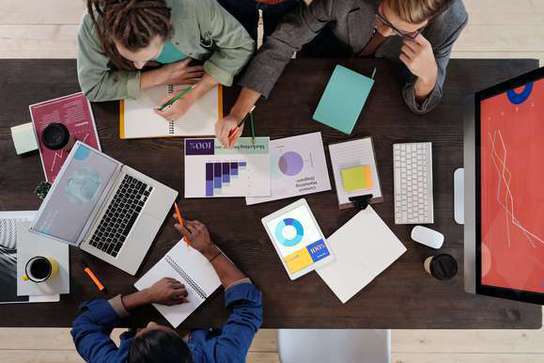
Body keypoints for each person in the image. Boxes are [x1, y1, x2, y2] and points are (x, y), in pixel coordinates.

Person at [216, 0, 468, 147]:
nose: (386, 32)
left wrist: (428, 78)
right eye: (383, 18)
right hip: (323, 59)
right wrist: (238, 112)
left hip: (380, 91)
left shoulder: (451, 20)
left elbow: (425, 103)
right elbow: (284, 40)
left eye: (404, 32)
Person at [71, 219, 263, 363]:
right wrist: (208, 250)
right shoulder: (223, 358)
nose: (151, 322)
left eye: (141, 332)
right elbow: (248, 307)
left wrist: (146, 295)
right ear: (185, 348)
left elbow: (84, 325)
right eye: (156, 329)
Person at [77, 0, 254, 122]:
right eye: (130, 57)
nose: (138, 67)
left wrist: (193, 94)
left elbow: (241, 46)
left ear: (167, 27)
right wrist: (160, 76)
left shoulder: (194, 6)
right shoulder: (93, 24)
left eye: (149, 57)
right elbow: (92, 86)